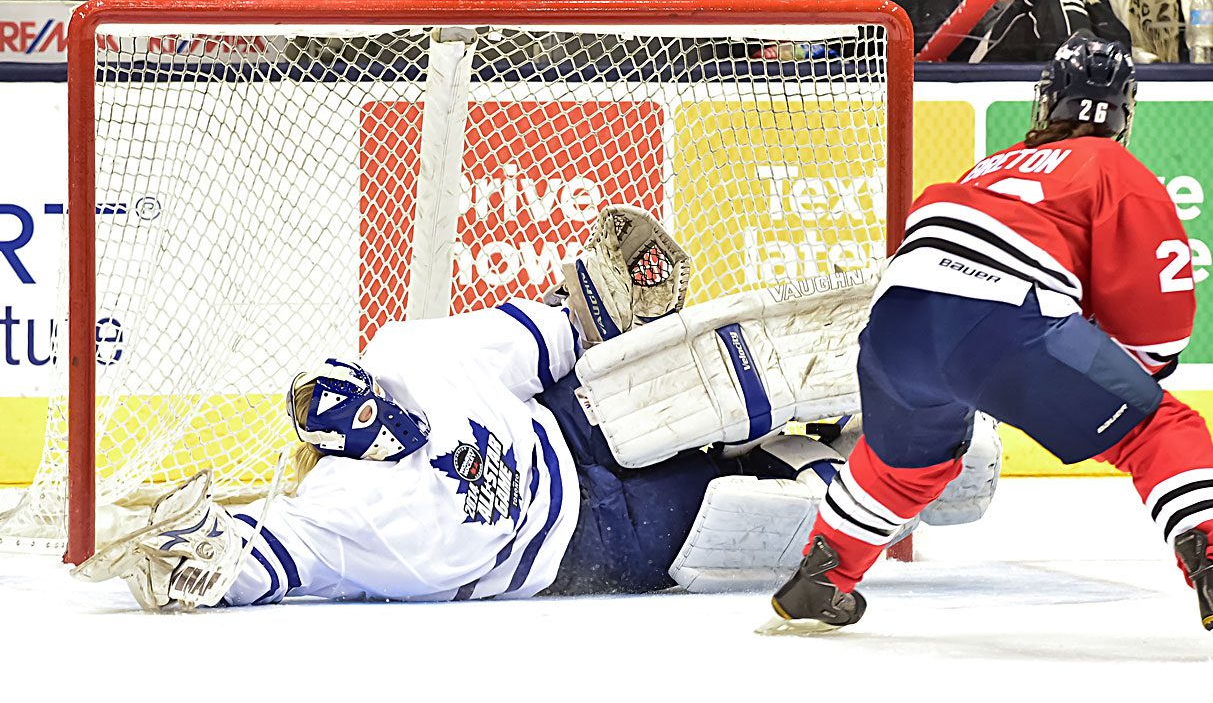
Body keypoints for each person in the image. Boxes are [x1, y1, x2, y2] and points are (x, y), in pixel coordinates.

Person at [72, 205, 1003, 609]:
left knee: (694, 402)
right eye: (347, 425)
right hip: (591, 541)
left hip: (572, 424)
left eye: (354, 403)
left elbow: (563, 335)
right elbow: (262, 563)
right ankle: (889, 473)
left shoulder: (410, 355)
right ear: (323, 450)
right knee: (744, 493)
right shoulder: (342, 516)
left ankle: (860, 392)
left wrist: (618, 312)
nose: (367, 421)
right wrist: (195, 564)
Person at [763, 32, 1213, 661]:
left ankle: (821, 580)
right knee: (1161, 428)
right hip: (1001, 319)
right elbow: (1155, 308)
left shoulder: (989, 165)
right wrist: (1132, 382)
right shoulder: (1115, 168)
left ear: (1045, 104)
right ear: (1123, 111)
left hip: (891, 325)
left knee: (905, 463)